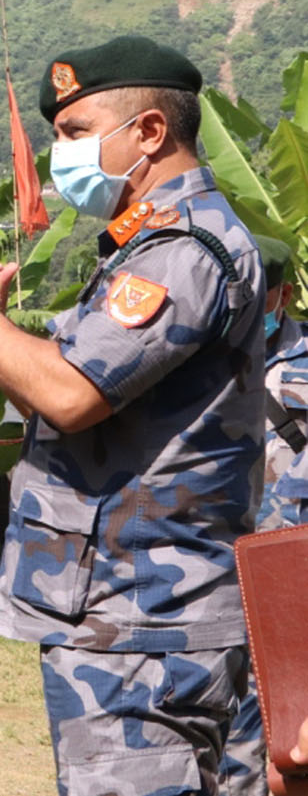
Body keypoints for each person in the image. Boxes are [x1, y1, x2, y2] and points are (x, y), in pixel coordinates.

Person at [0, 35, 264, 796]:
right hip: (129, 618)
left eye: (77, 132)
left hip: (147, 621)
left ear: (150, 132)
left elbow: (68, 392)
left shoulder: (182, 249)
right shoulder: (144, 246)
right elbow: (59, 403)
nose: (62, 155)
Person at [221, 235, 306, 796]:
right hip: (216, 572)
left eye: (263, 295)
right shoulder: (205, 358)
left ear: (285, 295)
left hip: (288, 581)